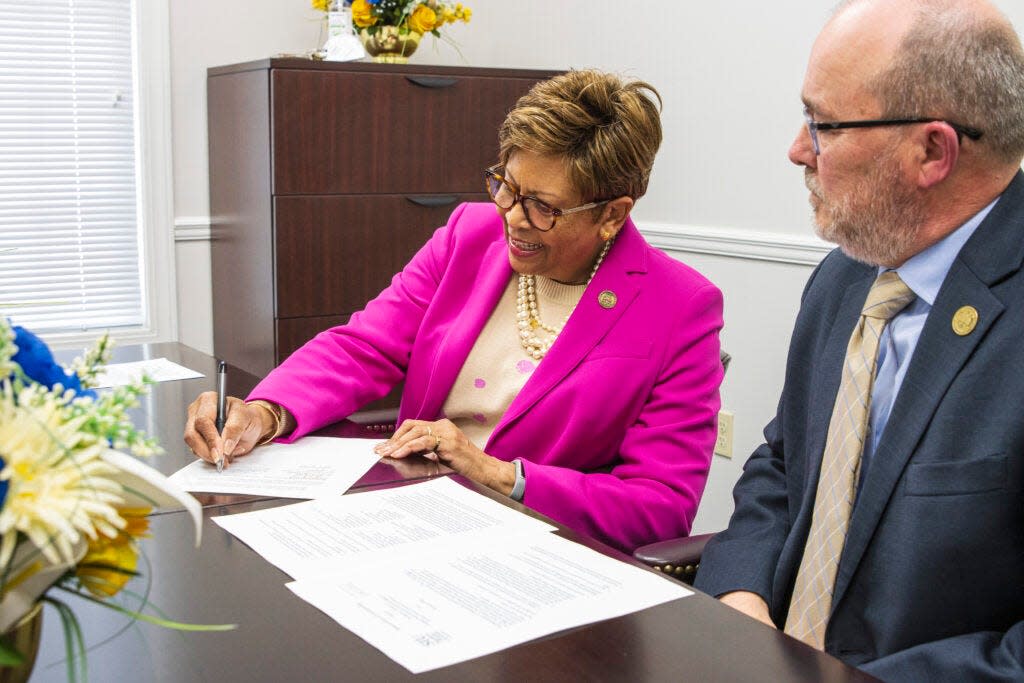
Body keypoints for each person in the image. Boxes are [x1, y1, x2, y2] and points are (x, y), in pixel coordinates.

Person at [184, 70, 724, 553]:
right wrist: (265, 412)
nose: (513, 218)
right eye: (506, 188)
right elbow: (365, 345)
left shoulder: (680, 307)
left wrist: (497, 474)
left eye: (543, 207)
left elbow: (660, 506)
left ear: (612, 214)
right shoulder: (471, 232)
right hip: (409, 516)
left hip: (535, 549)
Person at [694, 0, 1024, 679]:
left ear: (932, 149)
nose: (796, 149)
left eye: (824, 125)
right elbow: (782, 466)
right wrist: (741, 593)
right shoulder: (845, 279)